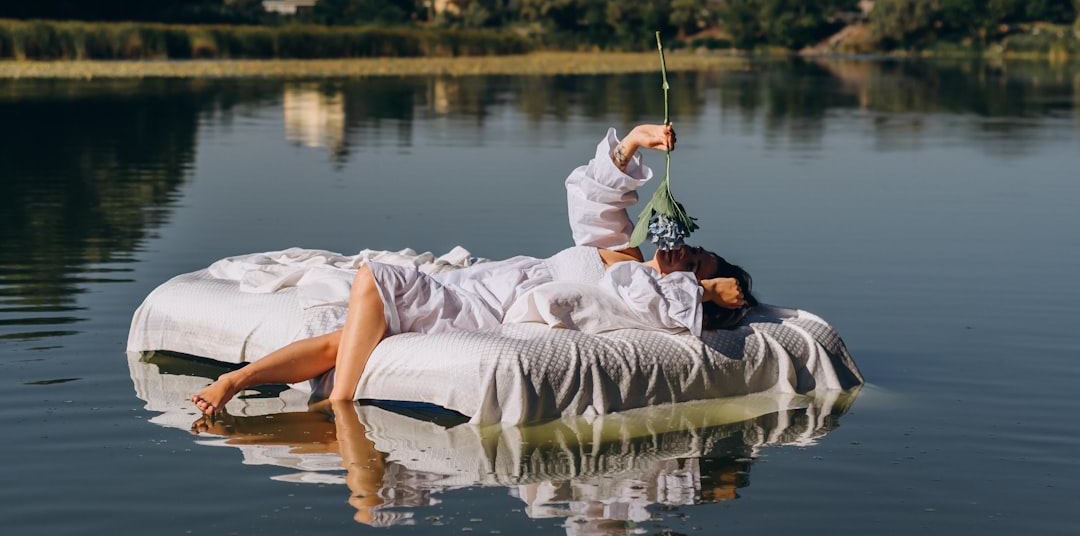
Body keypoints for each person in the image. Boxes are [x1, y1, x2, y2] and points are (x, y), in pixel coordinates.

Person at [192, 124, 756, 416]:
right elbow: (590, 200)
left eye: (695, 263)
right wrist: (634, 140)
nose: (683, 252)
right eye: (691, 249)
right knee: (341, 338)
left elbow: (658, 307)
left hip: (482, 308)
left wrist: (703, 289)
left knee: (374, 279)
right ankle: (235, 381)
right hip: (478, 283)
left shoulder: (643, 291)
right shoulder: (626, 256)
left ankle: (340, 410)